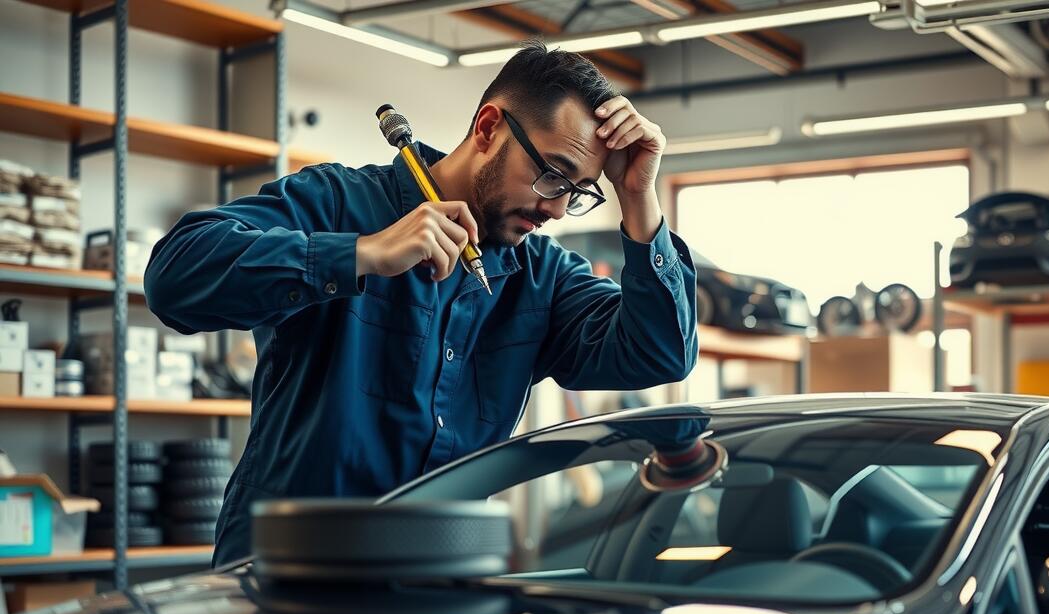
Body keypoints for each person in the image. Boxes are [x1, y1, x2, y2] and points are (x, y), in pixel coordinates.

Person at [144, 41, 698, 565]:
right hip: (291, 574)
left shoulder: (544, 277)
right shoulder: (338, 203)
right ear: (488, 128)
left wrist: (638, 197)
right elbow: (173, 276)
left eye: (578, 192)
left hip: (436, 582)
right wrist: (360, 253)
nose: (556, 210)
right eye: (553, 176)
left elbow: (660, 355)